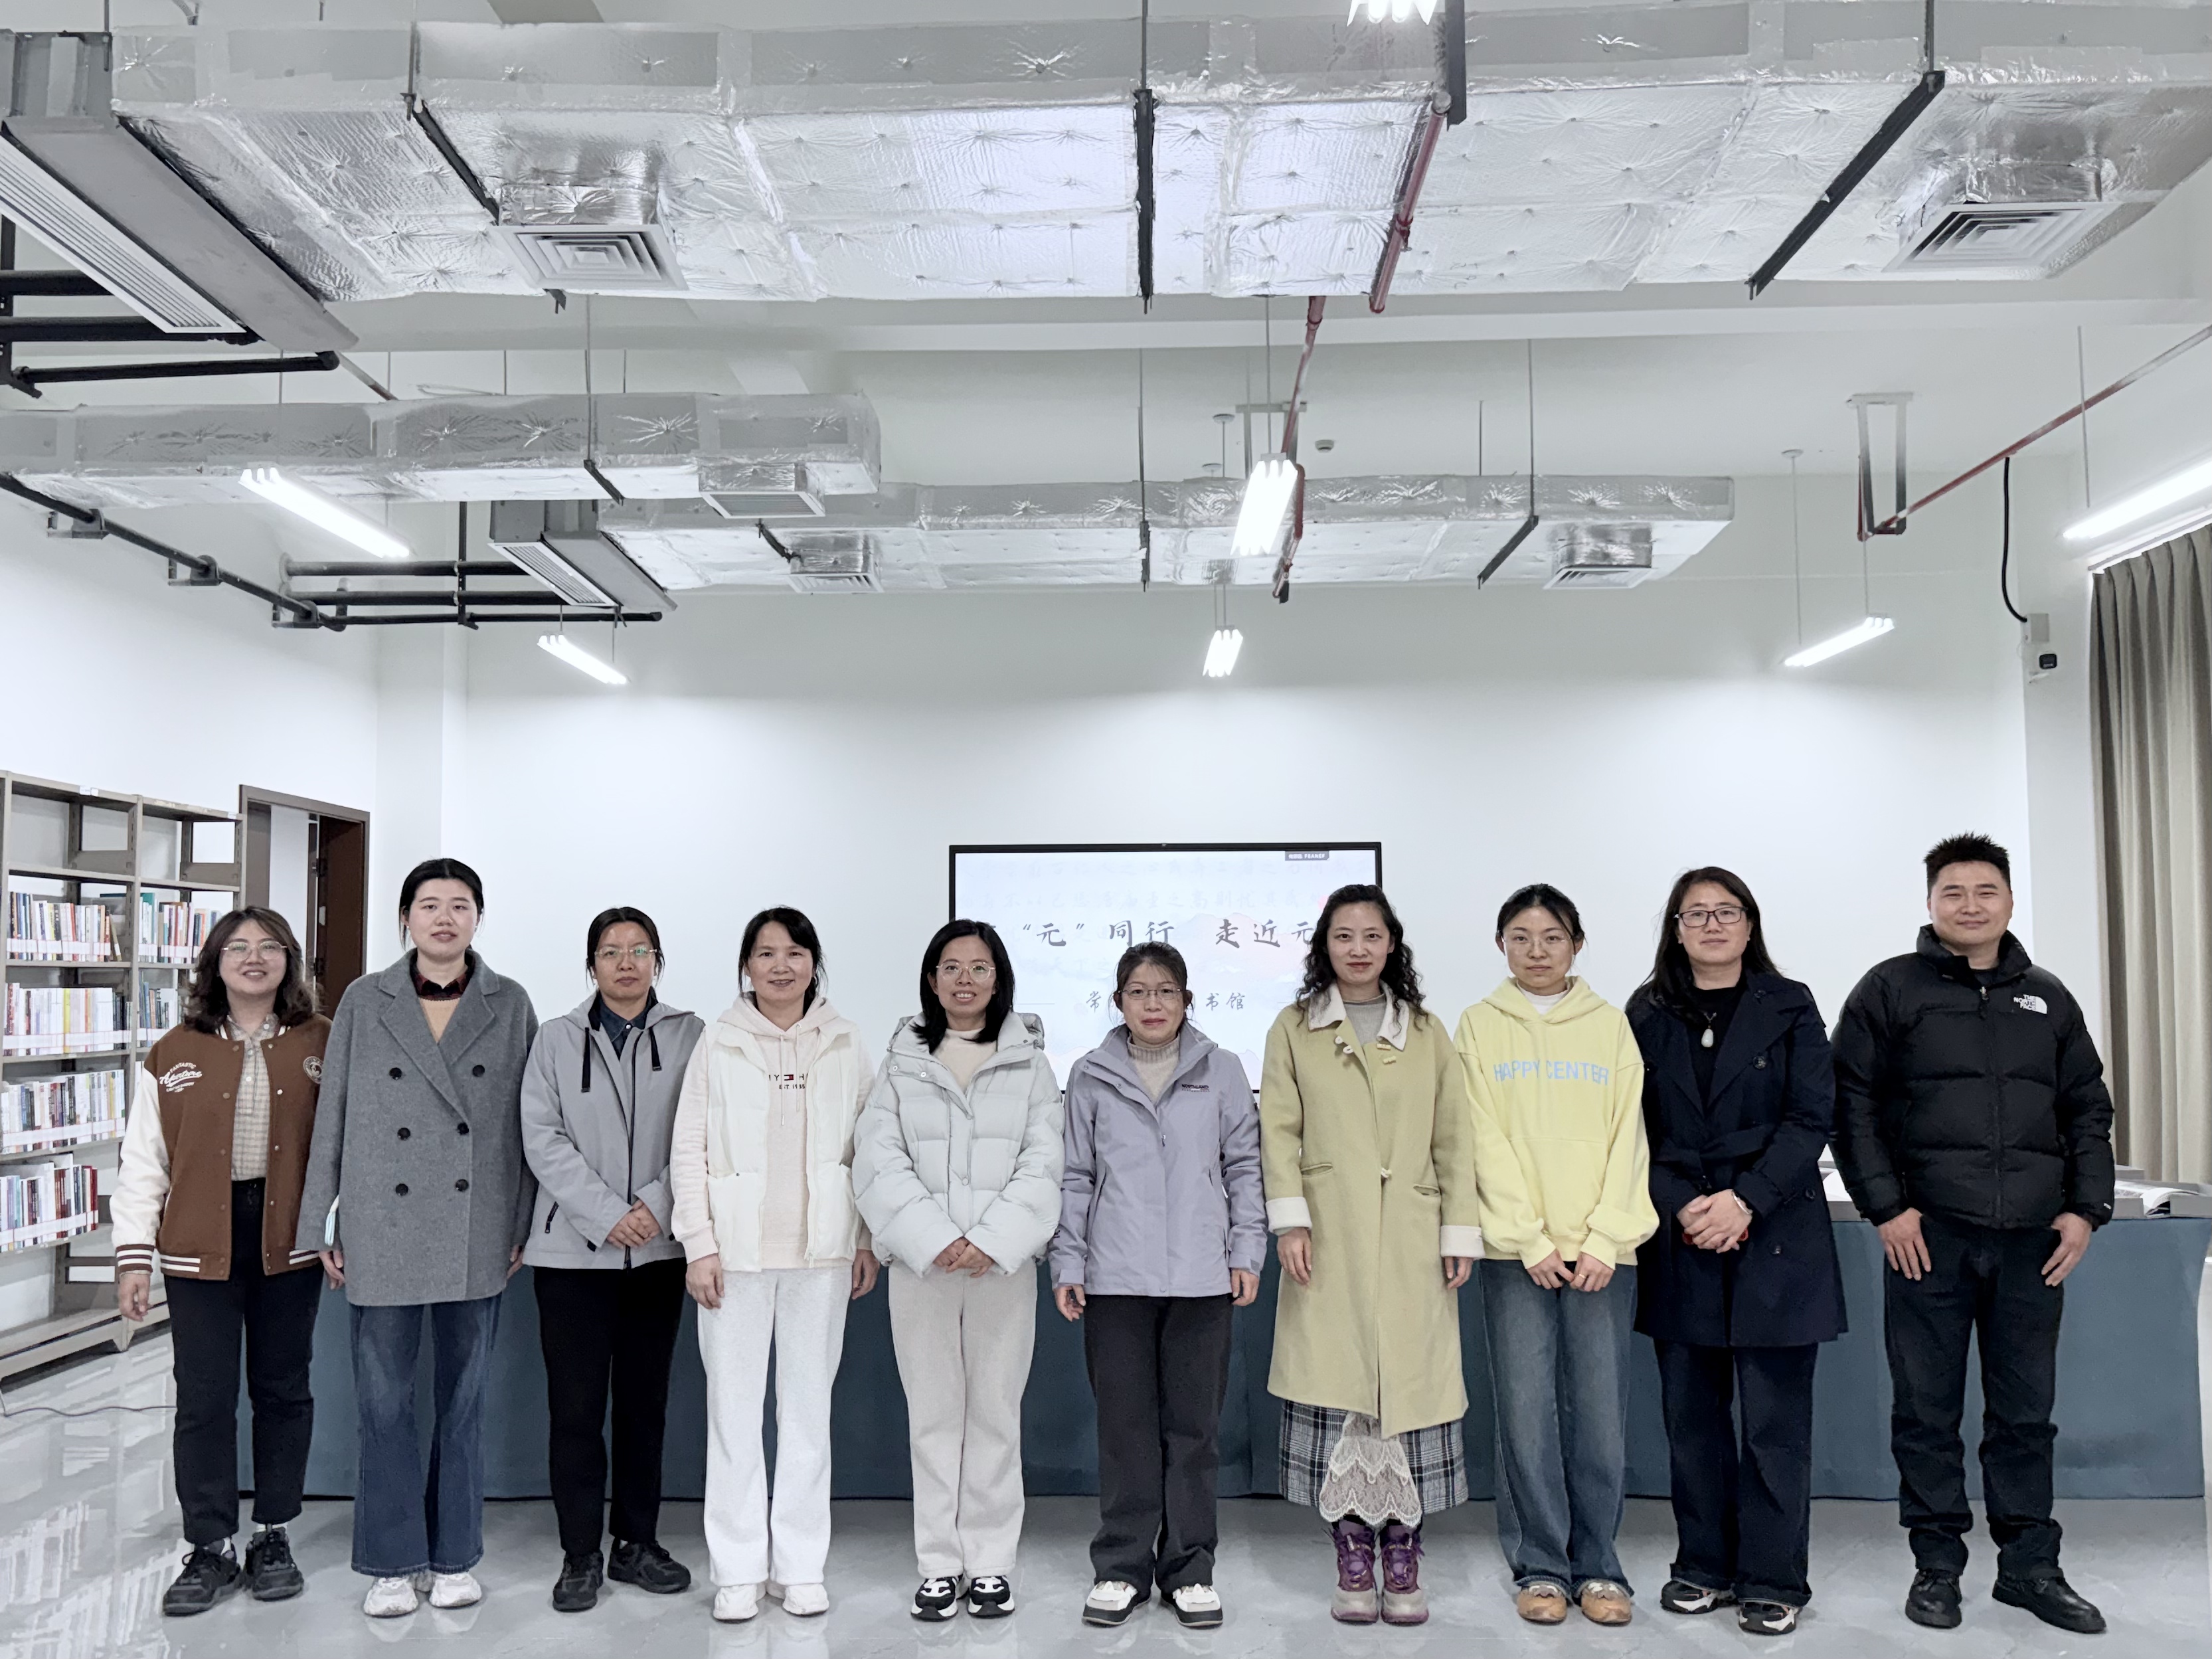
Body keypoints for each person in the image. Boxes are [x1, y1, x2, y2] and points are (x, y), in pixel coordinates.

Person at [1831, 833, 2114, 1636]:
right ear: (1930, 903)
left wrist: (2084, 1208)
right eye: (1952, 891)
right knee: (1925, 1410)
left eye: (1985, 890)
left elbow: (2087, 1109)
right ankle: (1937, 1565)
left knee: (2025, 1414)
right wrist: (1886, 1207)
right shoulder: (1889, 989)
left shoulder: (2047, 998)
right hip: (1928, 1237)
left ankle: (2029, 1566)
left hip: (2032, 1240)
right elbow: (1849, 1105)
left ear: (2009, 901)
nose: (1970, 904)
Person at [294, 857, 539, 1619]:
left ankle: (455, 1553)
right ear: (405, 917)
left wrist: (521, 1222)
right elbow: (332, 1113)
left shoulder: (510, 1001)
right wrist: (319, 1220)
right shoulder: (364, 999)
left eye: (459, 904)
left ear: (478, 918)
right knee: (384, 1401)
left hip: (477, 1225)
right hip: (381, 1222)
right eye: (429, 904)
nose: (444, 917)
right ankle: (393, 1561)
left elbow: (528, 1125)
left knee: (463, 1400)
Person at [1626, 868, 1845, 1637]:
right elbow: (1630, 1126)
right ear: (1676, 928)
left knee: (1773, 1425)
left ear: (1750, 925)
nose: (1712, 924)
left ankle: (1773, 1577)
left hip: (1775, 1228)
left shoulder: (1790, 1004)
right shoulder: (1646, 1010)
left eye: (1727, 911)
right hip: (1683, 1228)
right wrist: (1683, 1201)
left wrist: (1745, 1198)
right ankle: (1703, 1564)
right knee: (1692, 1419)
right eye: (1696, 913)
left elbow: (1811, 1116)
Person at [1260, 883, 1479, 1628]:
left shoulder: (1426, 1030)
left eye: (1372, 936)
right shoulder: (1294, 1027)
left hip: (1414, 1235)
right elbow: (1278, 1130)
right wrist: (1291, 1221)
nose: (1358, 949)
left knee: (1408, 1389)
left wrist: (1458, 1230)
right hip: (1329, 1234)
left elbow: (1454, 1135)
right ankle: (1351, 1552)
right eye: (1343, 935)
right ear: (1324, 945)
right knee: (1341, 1387)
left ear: (1392, 945)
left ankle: (1404, 1552)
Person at [112, 907, 329, 1616]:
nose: (254, 957)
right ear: (214, 962)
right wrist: (133, 1257)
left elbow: (342, 1148)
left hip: (288, 1239)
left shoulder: (321, 1041)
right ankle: (210, 1544)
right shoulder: (173, 1050)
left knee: (283, 1388)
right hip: (197, 1239)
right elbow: (145, 1159)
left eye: (270, 946)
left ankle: (273, 1533)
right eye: (238, 947)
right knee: (203, 1397)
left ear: (290, 960)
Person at [670, 907, 881, 1624]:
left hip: (821, 1255)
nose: (780, 965)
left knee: (807, 1414)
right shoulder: (719, 1039)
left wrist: (863, 1239)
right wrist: (699, 1244)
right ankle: (737, 1569)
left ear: (814, 963)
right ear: (747, 966)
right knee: (732, 1416)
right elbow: (689, 1146)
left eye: (794, 952)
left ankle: (799, 1566)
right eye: (765, 953)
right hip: (736, 1258)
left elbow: (868, 1148)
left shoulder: (846, 1040)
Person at [1457, 883, 1656, 1629]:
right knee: (1526, 1415)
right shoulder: (1478, 1026)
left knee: (1600, 1416)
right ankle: (1540, 1564)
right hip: (1518, 1255)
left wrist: (1605, 1237)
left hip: (1604, 1254)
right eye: (1520, 937)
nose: (1536, 951)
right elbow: (1479, 1138)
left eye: (1551, 937)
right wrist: (1529, 1238)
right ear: (1501, 945)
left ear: (1576, 944)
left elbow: (1630, 1136)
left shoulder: (1610, 1026)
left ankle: (1599, 1564)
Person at [852, 920, 1063, 1623]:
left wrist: (991, 1240)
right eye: (951, 967)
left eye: (978, 967)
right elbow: (878, 1159)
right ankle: (940, 1565)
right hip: (924, 1269)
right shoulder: (902, 1060)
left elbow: (1045, 1161)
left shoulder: (1030, 1063)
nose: (964, 979)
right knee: (934, 1417)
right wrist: (936, 1237)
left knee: (997, 1414)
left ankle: (991, 1563)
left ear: (998, 978)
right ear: (932, 979)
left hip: (1002, 1269)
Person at [1052, 942, 1266, 1631]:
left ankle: (1190, 1568)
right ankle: (1121, 1567)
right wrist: (1068, 1262)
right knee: (1125, 1430)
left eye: (1166, 991)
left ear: (1186, 999)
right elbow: (1075, 1176)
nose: (1152, 1004)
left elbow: (1243, 1168)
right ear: (1118, 1002)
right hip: (1114, 1278)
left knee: (1194, 1430)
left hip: (1202, 1277)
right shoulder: (1090, 1074)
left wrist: (1246, 1251)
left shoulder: (1221, 1069)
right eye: (1139, 992)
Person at [521, 907, 704, 1613]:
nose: (626, 963)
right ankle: (579, 1554)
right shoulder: (555, 1038)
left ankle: (636, 1542)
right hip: (571, 1255)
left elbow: (705, 1131)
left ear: (658, 960)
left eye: (639, 950)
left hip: (658, 1253)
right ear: (591, 964)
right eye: (610, 951)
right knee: (573, 1412)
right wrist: (606, 1214)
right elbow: (542, 1137)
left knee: (643, 1407)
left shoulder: (692, 1036)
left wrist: (655, 1205)